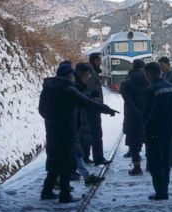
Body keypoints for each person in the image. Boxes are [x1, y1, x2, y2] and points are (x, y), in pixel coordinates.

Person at [38, 63, 118, 202]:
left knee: (55, 161)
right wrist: (106, 109)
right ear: (69, 76)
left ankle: (47, 191)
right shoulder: (67, 89)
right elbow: (87, 103)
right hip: (67, 129)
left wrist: (53, 119)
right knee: (67, 162)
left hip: (52, 129)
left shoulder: (49, 88)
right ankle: (65, 194)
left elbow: (42, 110)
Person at [142, 62, 172, 200]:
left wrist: (146, 125)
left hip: (155, 131)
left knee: (155, 162)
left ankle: (160, 192)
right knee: (166, 160)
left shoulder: (151, 90)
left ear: (150, 73)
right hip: (169, 130)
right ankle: (165, 189)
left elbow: (149, 113)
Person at [73, 63, 105, 186]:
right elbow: (78, 96)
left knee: (74, 152)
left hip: (73, 121)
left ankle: (84, 176)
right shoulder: (71, 86)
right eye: (86, 75)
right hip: (70, 123)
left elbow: (80, 94)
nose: (88, 78)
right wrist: (103, 108)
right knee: (74, 151)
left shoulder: (74, 85)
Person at [120, 59, 148, 176]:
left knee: (134, 143)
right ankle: (151, 165)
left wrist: (136, 111)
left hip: (132, 116)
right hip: (148, 115)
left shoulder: (127, 81)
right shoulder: (149, 79)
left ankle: (137, 167)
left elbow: (127, 99)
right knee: (150, 139)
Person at [85, 52, 111, 165]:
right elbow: (90, 91)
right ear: (94, 61)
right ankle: (98, 157)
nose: (100, 62)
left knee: (90, 133)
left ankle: (88, 157)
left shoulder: (92, 71)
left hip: (93, 107)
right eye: (99, 60)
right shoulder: (91, 73)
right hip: (92, 109)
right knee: (95, 134)